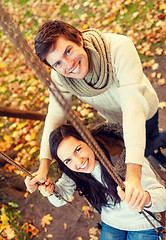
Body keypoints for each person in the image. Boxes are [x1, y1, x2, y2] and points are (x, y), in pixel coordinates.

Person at [25, 20, 166, 207]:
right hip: (115, 120)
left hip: (143, 109)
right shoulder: (61, 77)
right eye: (58, 63)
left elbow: (133, 110)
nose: (68, 64)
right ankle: (154, 153)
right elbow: (56, 116)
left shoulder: (118, 48)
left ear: (78, 39)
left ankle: (157, 147)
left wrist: (133, 175)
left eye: (68, 51)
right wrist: (43, 167)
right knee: (142, 147)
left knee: (149, 139)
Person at [25, 124, 166, 239]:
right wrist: (49, 190)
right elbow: (60, 198)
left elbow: (163, 198)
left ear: (87, 140)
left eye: (78, 150)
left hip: (144, 223)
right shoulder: (74, 172)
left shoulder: (125, 157)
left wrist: (146, 198)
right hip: (112, 223)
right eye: (68, 160)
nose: (79, 162)